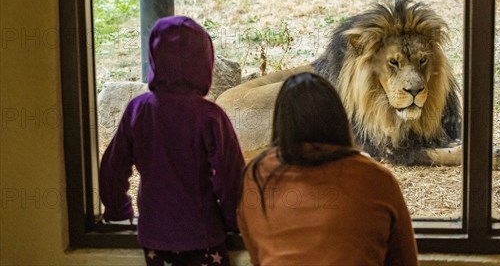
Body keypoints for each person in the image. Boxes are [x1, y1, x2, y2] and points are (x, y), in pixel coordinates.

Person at [100, 16, 245, 266]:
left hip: (155, 238)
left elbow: (113, 168)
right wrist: (233, 221)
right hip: (205, 236)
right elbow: (231, 177)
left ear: (154, 58)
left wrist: (118, 212)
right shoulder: (210, 116)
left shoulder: (138, 110)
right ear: (205, 62)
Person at [237, 72, 419, 266]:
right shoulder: (377, 178)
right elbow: (405, 260)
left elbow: (258, 255)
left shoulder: (256, 175)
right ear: (339, 119)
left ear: (282, 122)